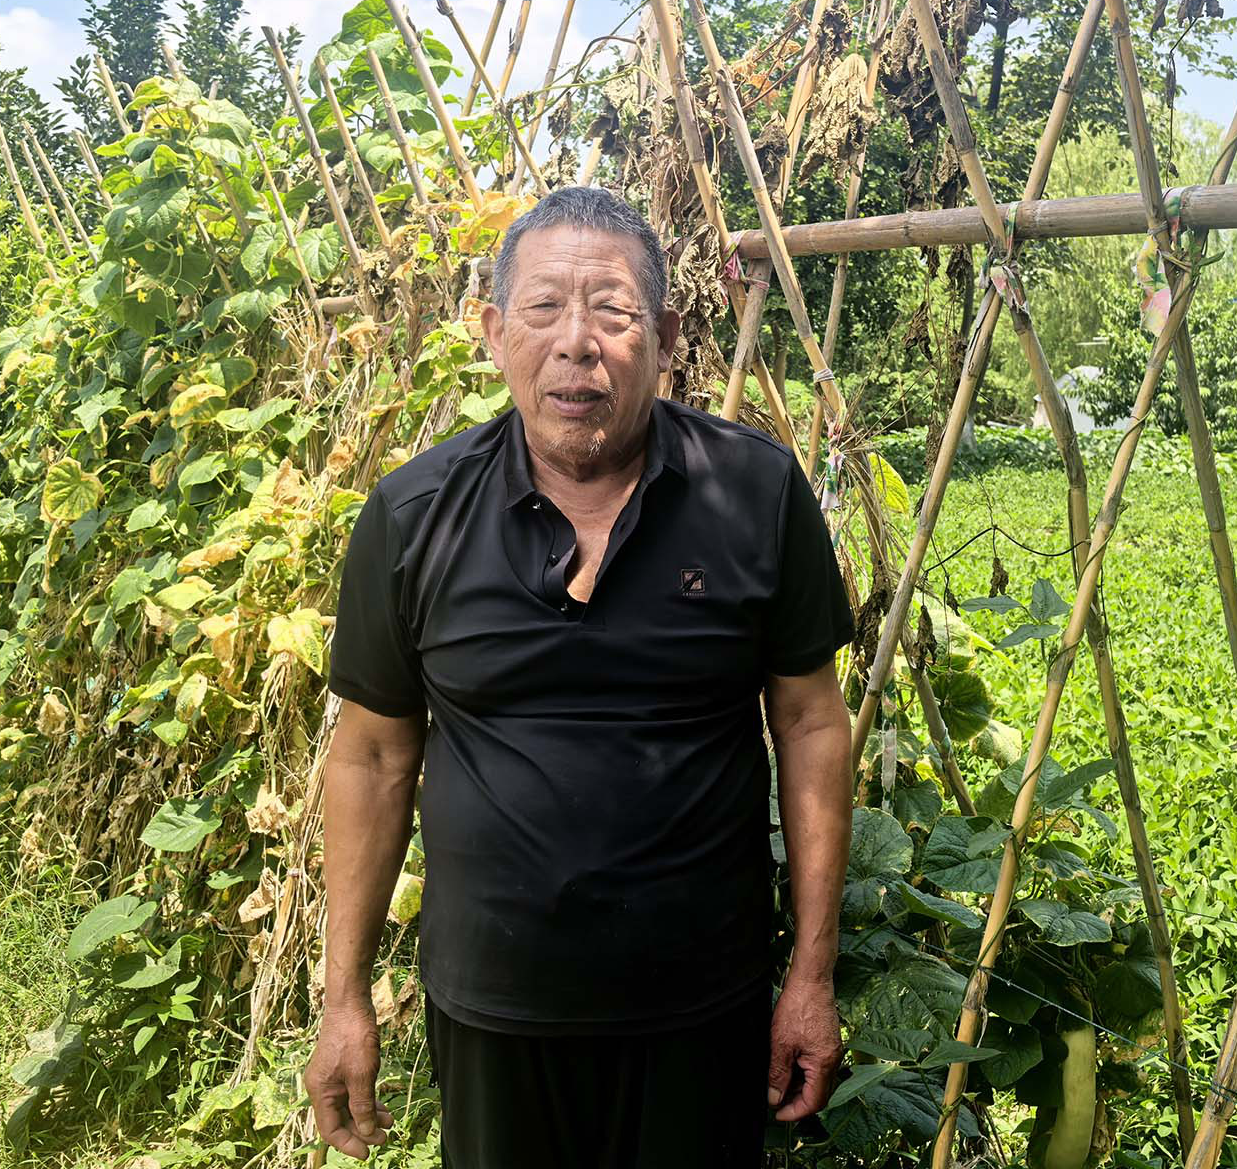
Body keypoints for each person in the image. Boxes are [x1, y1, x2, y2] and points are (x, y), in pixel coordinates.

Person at [306, 186, 856, 1168]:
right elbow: (374, 758)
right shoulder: (413, 517)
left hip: (703, 1007)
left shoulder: (755, 494)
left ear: (666, 338)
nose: (576, 343)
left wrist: (811, 977)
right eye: (544, 309)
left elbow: (812, 724)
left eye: (612, 311)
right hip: (493, 1006)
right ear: (494, 334)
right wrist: (343, 997)